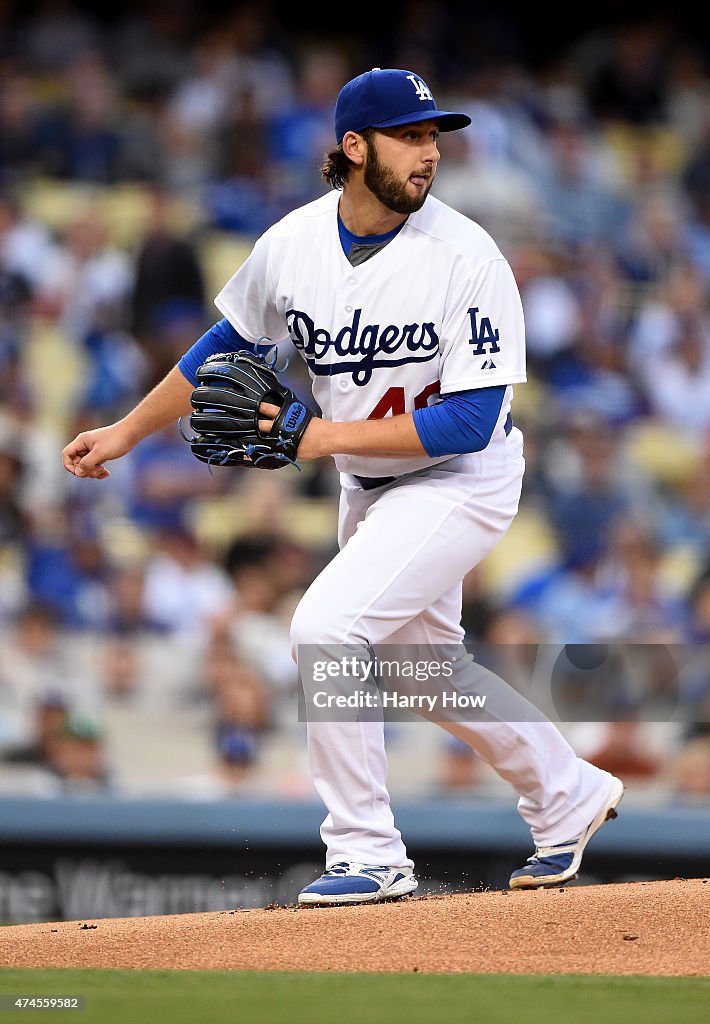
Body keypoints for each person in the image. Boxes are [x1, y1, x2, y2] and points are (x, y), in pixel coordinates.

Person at [62, 67, 624, 906]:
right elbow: (227, 339)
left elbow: (469, 420)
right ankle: (567, 793)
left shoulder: (469, 256)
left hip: (462, 477)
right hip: (371, 486)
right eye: (409, 136)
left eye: (434, 136)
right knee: (425, 671)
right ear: (353, 147)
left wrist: (314, 435)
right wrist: (127, 431)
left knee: (326, 628)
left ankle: (368, 850)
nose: (428, 153)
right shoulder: (292, 245)